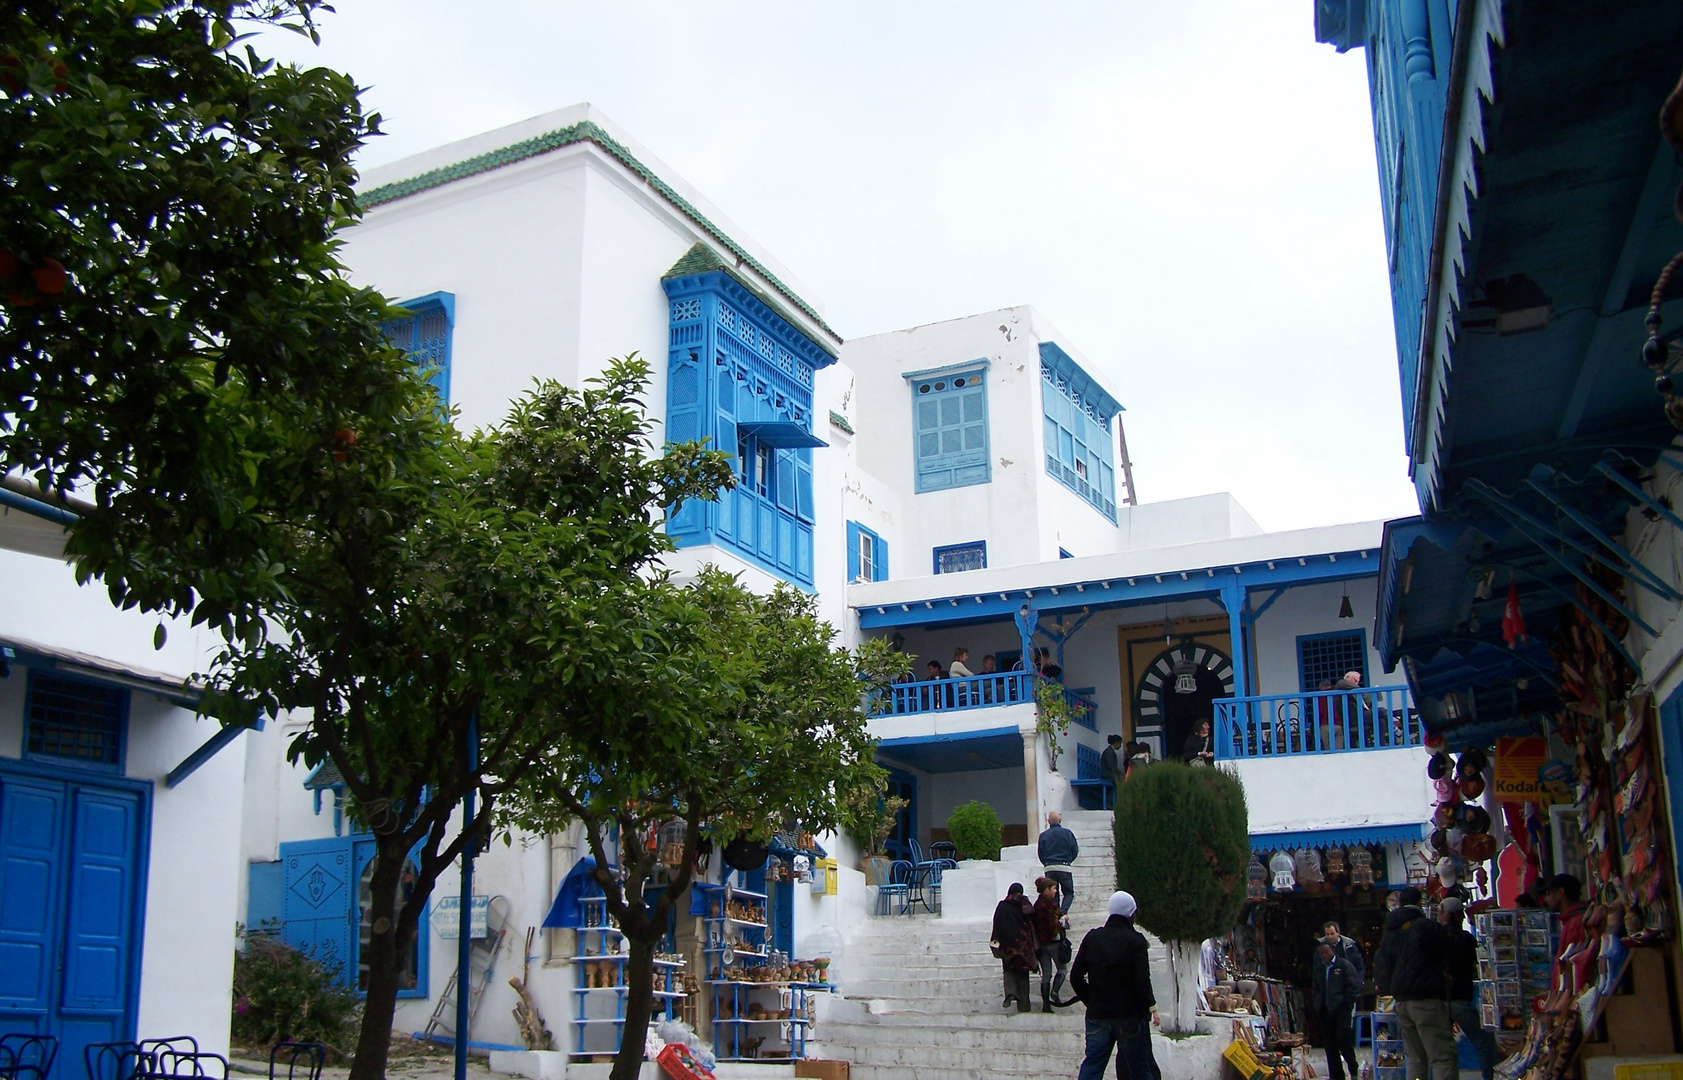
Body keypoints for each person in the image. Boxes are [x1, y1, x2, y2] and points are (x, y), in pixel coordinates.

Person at [1071, 891, 1160, 1080]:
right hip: (1130, 1016)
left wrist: (1092, 1000)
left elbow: (1075, 977)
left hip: (1098, 1014)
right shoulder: (1136, 941)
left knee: (1093, 1066)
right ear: (1131, 914)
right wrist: (1150, 1007)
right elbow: (1142, 981)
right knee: (1140, 1069)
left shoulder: (1092, 938)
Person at [1374, 886, 1455, 1080]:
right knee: (1442, 1056)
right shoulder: (1426, 926)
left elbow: (1382, 963)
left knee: (1416, 1058)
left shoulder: (1390, 933)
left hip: (1401, 1002)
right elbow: (1448, 950)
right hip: (1426, 999)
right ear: (1420, 902)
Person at [1440, 897, 1498, 1080]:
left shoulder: (1435, 938)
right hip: (1459, 998)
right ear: (1457, 915)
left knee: (1441, 1049)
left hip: (1438, 999)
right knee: (1484, 1041)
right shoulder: (1466, 939)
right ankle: (1491, 1077)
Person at [1312, 942, 1362, 1080]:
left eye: (1326, 953)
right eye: (1322, 953)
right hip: (1325, 1011)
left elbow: (1354, 987)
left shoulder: (1344, 965)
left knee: (1343, 1039)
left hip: (1341, 1011)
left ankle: (1353, 1068)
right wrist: (1318, 1004)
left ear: (1333, 951)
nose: (1324, 956)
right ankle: (1336, 1075)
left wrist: (1346, 1004)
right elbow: (1316, 988)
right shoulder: (1319, 969)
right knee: (1329, 1045)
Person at [991, 882, 1037, 1013]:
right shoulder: (1025, 905)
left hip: (1007, 945)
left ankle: (1010, 992)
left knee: (1008, 969)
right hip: (1024, 945)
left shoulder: (1003, 906)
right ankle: (1024, 1006)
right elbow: (1032, 922)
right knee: (1023, 973)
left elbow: (997, 924)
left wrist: (995, 940)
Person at [1031, 877, 1069, 1012]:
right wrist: (1063, 921)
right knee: (1063, 969)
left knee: (1046, 974)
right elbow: (1053, 925)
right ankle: (1055, 991)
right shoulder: (1049, 905)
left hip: (1041, 945)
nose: (1055, 891)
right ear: (1046, 890)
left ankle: (1046, 1004)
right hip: (1054, 943)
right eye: (1053, 889)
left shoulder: (1036, 905)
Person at [1037, 810, 1079, 915]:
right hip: (1064, 867)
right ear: (1060, 821)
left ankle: (1055, 914)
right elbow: (1075, 850)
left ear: (1048, 821)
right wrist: (1068, 861)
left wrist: (1046, 863)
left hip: (1049, 867)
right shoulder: (1068, 833)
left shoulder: (1043, 835)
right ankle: (1063, 913)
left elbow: (1040, 853)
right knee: (1069, 893)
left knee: (1053, 894)